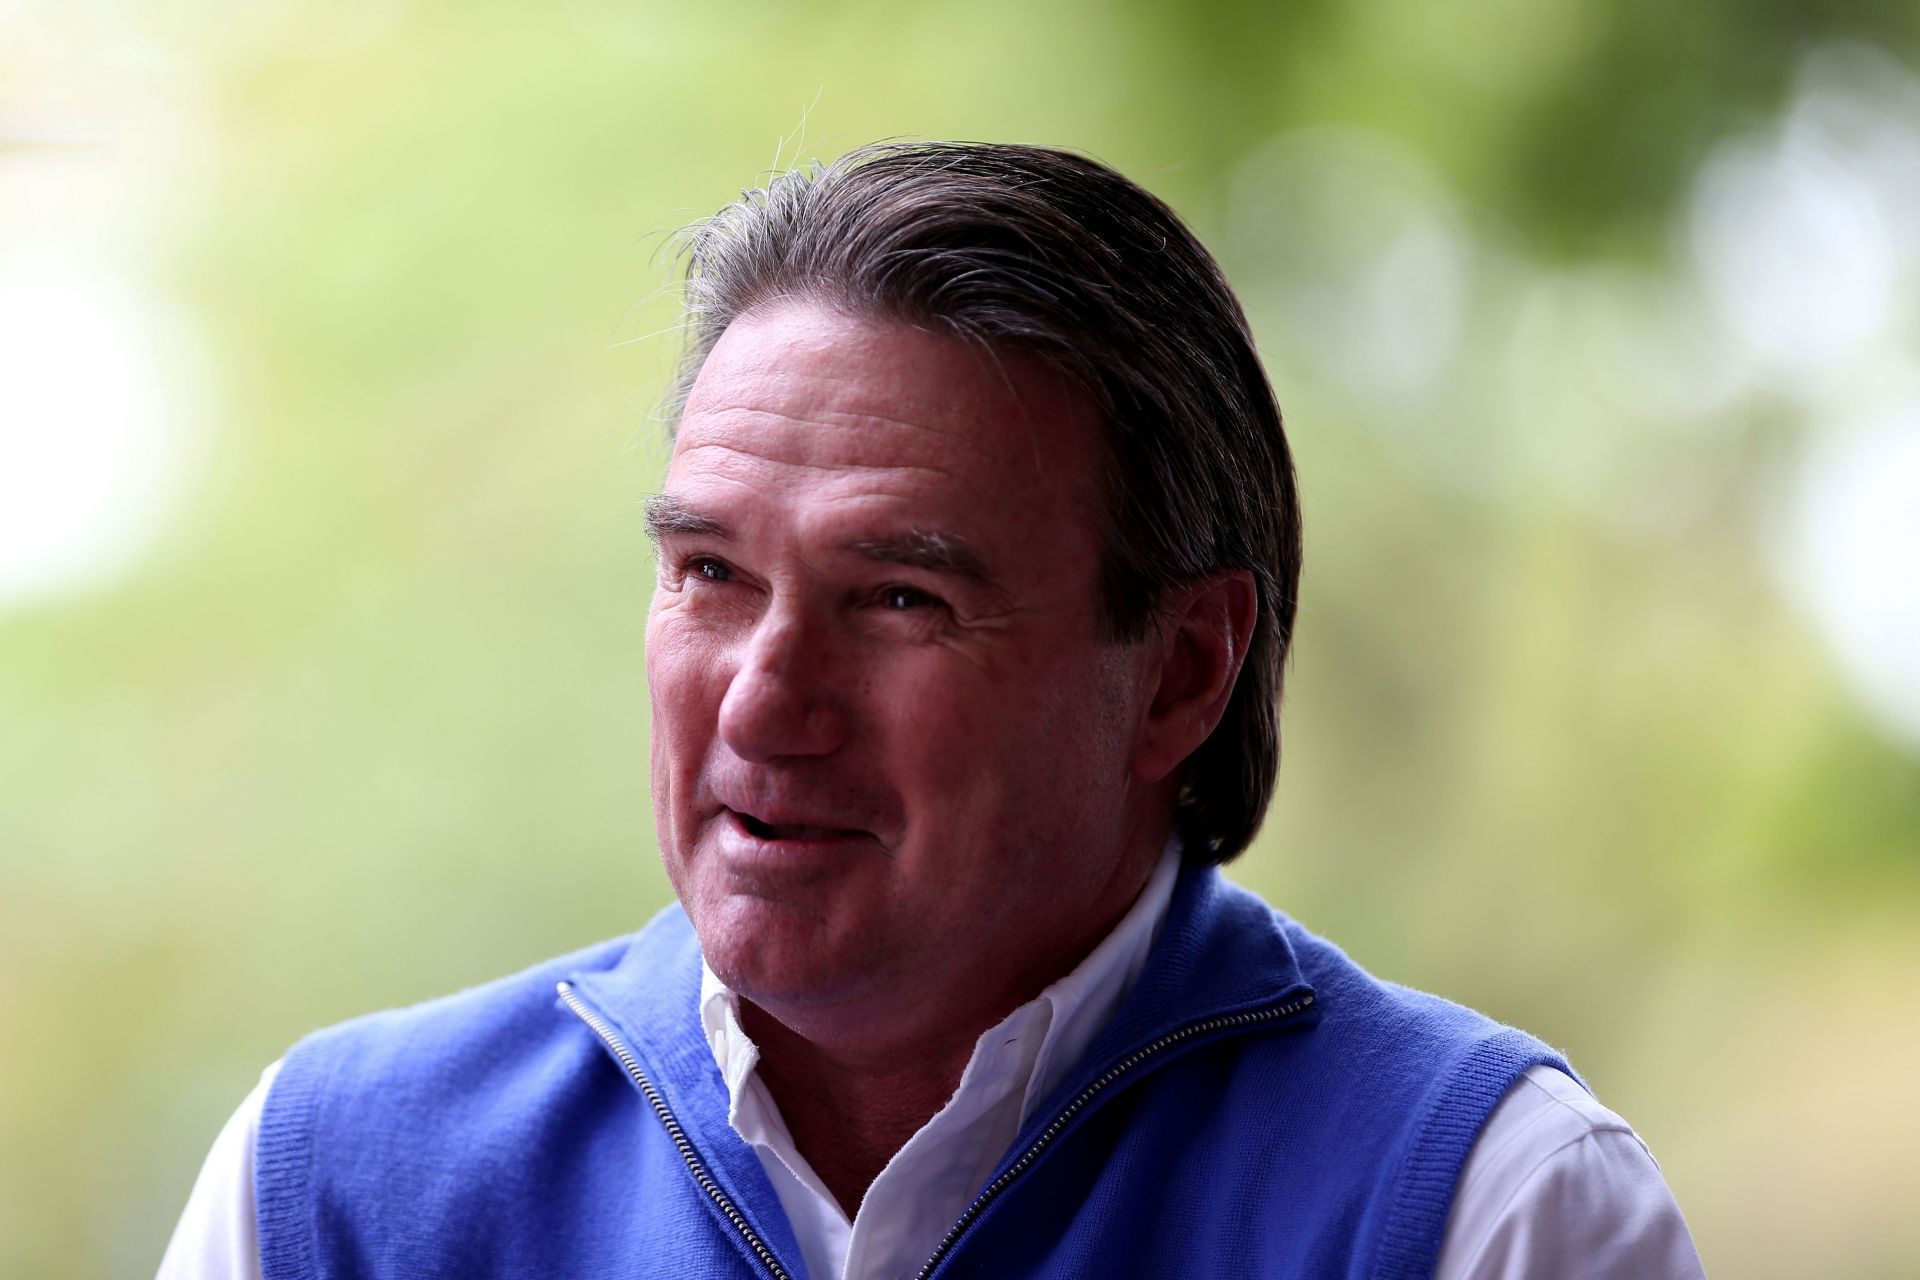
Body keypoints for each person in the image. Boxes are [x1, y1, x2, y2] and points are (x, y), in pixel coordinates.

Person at [160, 142, 1704, 1280]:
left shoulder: (1485, 1212)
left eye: (899, 598)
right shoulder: (327, 1196)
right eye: (708, 573)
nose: (768, 696)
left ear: (1178, 670)